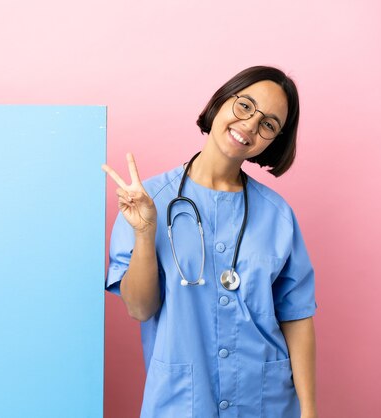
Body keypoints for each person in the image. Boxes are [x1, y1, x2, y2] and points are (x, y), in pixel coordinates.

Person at [102, 66, 318, 418]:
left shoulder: (277, 214)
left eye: (268, 124)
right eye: (245, 106)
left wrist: (309, 411)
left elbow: (296, 316)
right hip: (184, 401)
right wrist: (144, 233)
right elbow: (139, 309)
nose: (250, 125)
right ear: (220, 102)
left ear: (273, 140)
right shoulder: (148, 200)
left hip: (264, 401)